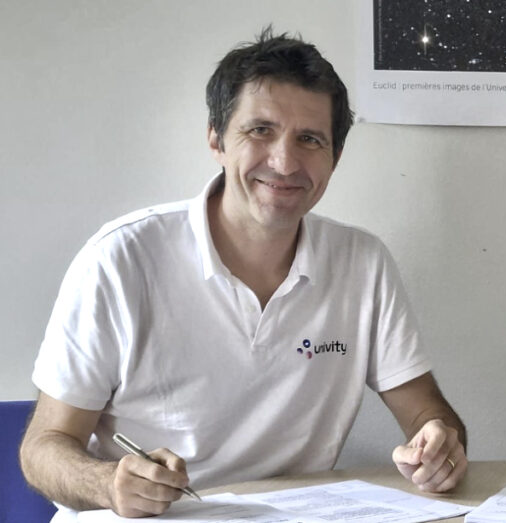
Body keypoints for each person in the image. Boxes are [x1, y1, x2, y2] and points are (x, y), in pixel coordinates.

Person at [20, 28, 466, 520]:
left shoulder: (363, 263)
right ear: (216, 139)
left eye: (310, 139)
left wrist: (437, 445)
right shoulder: (121, 258)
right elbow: (43, 449)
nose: (285, 162)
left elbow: (428, 414)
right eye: (260, 131)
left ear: (334, 158)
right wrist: (108, 484)